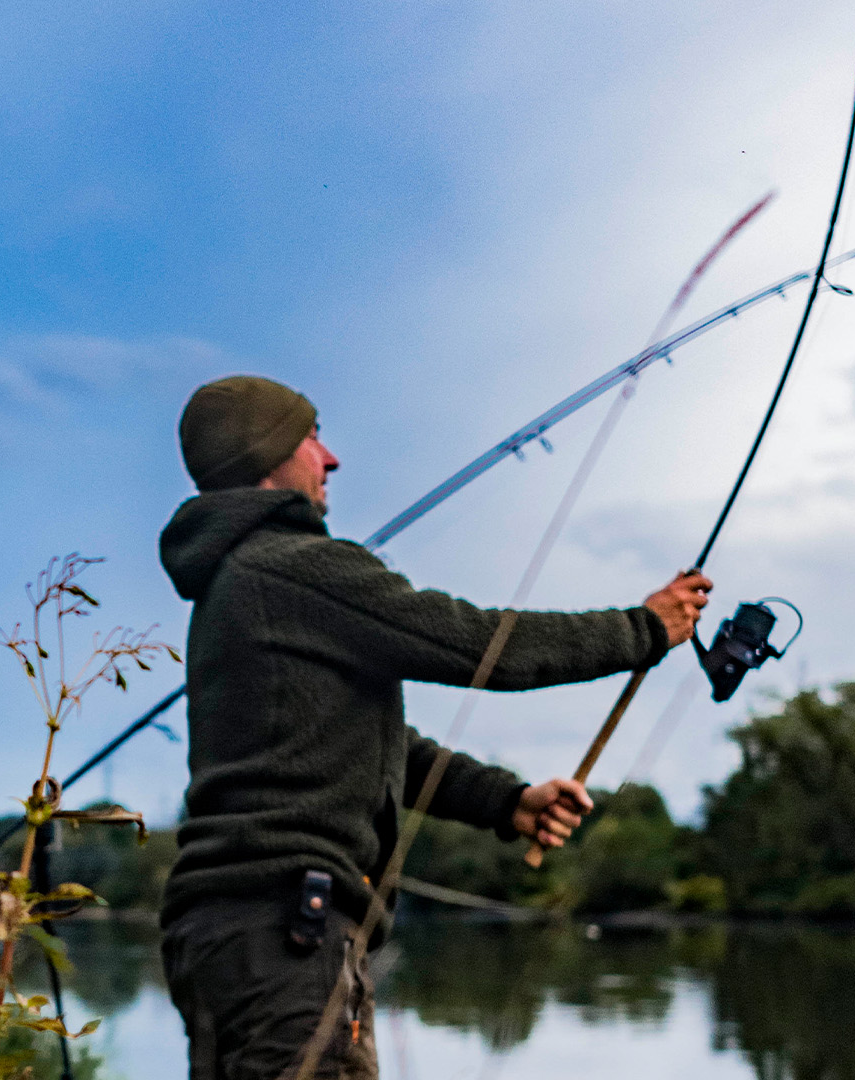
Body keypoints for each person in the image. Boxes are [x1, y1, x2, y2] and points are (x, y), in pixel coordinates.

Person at [157, 375, 710, 1080]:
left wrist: (507, 802)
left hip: (230, 940)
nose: (330, 459)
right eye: (311, 437)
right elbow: (475, 644)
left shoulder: (237, 586)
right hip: (289, 936)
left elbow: (385, 751)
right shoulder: (296, 568)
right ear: (267, 453)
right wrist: (644, 630)